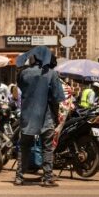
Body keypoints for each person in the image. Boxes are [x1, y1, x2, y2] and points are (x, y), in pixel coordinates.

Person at [14, 46, 66, 187]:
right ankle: (48, 178)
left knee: (24, 146)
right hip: (46, 115)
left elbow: (21, 89)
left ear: (34, 57)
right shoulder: (52, 74)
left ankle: (19, 177)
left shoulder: (24, 73)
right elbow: (57, 98)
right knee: (47, 148)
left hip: (28, 115)